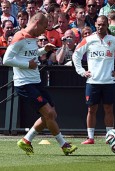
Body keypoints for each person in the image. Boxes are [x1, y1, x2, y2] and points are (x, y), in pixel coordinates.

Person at [2, 12, 77, 155]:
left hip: (36, 81)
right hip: (24, 84)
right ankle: (64, 145)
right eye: (44, 27)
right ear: (37, 23)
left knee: (51, 114)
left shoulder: (32, 38)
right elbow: (6, 60)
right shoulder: (20, 37)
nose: (45, 31)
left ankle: (26, 140)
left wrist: (43, 50)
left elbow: (29, 54)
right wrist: (26, 64)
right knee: (48, 113)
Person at [72, 15, 115, 145]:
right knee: (91, 109)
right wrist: (81, 71)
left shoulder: (113, 40)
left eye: (103, 24)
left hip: (109, 81)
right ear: (95, 25)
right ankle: (90, 137)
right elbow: (76, 55)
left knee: (109, 109)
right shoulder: (88, 40)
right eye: (98, 24)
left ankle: (110, 137)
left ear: (107, 25)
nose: (100, 27)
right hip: (93, 82)